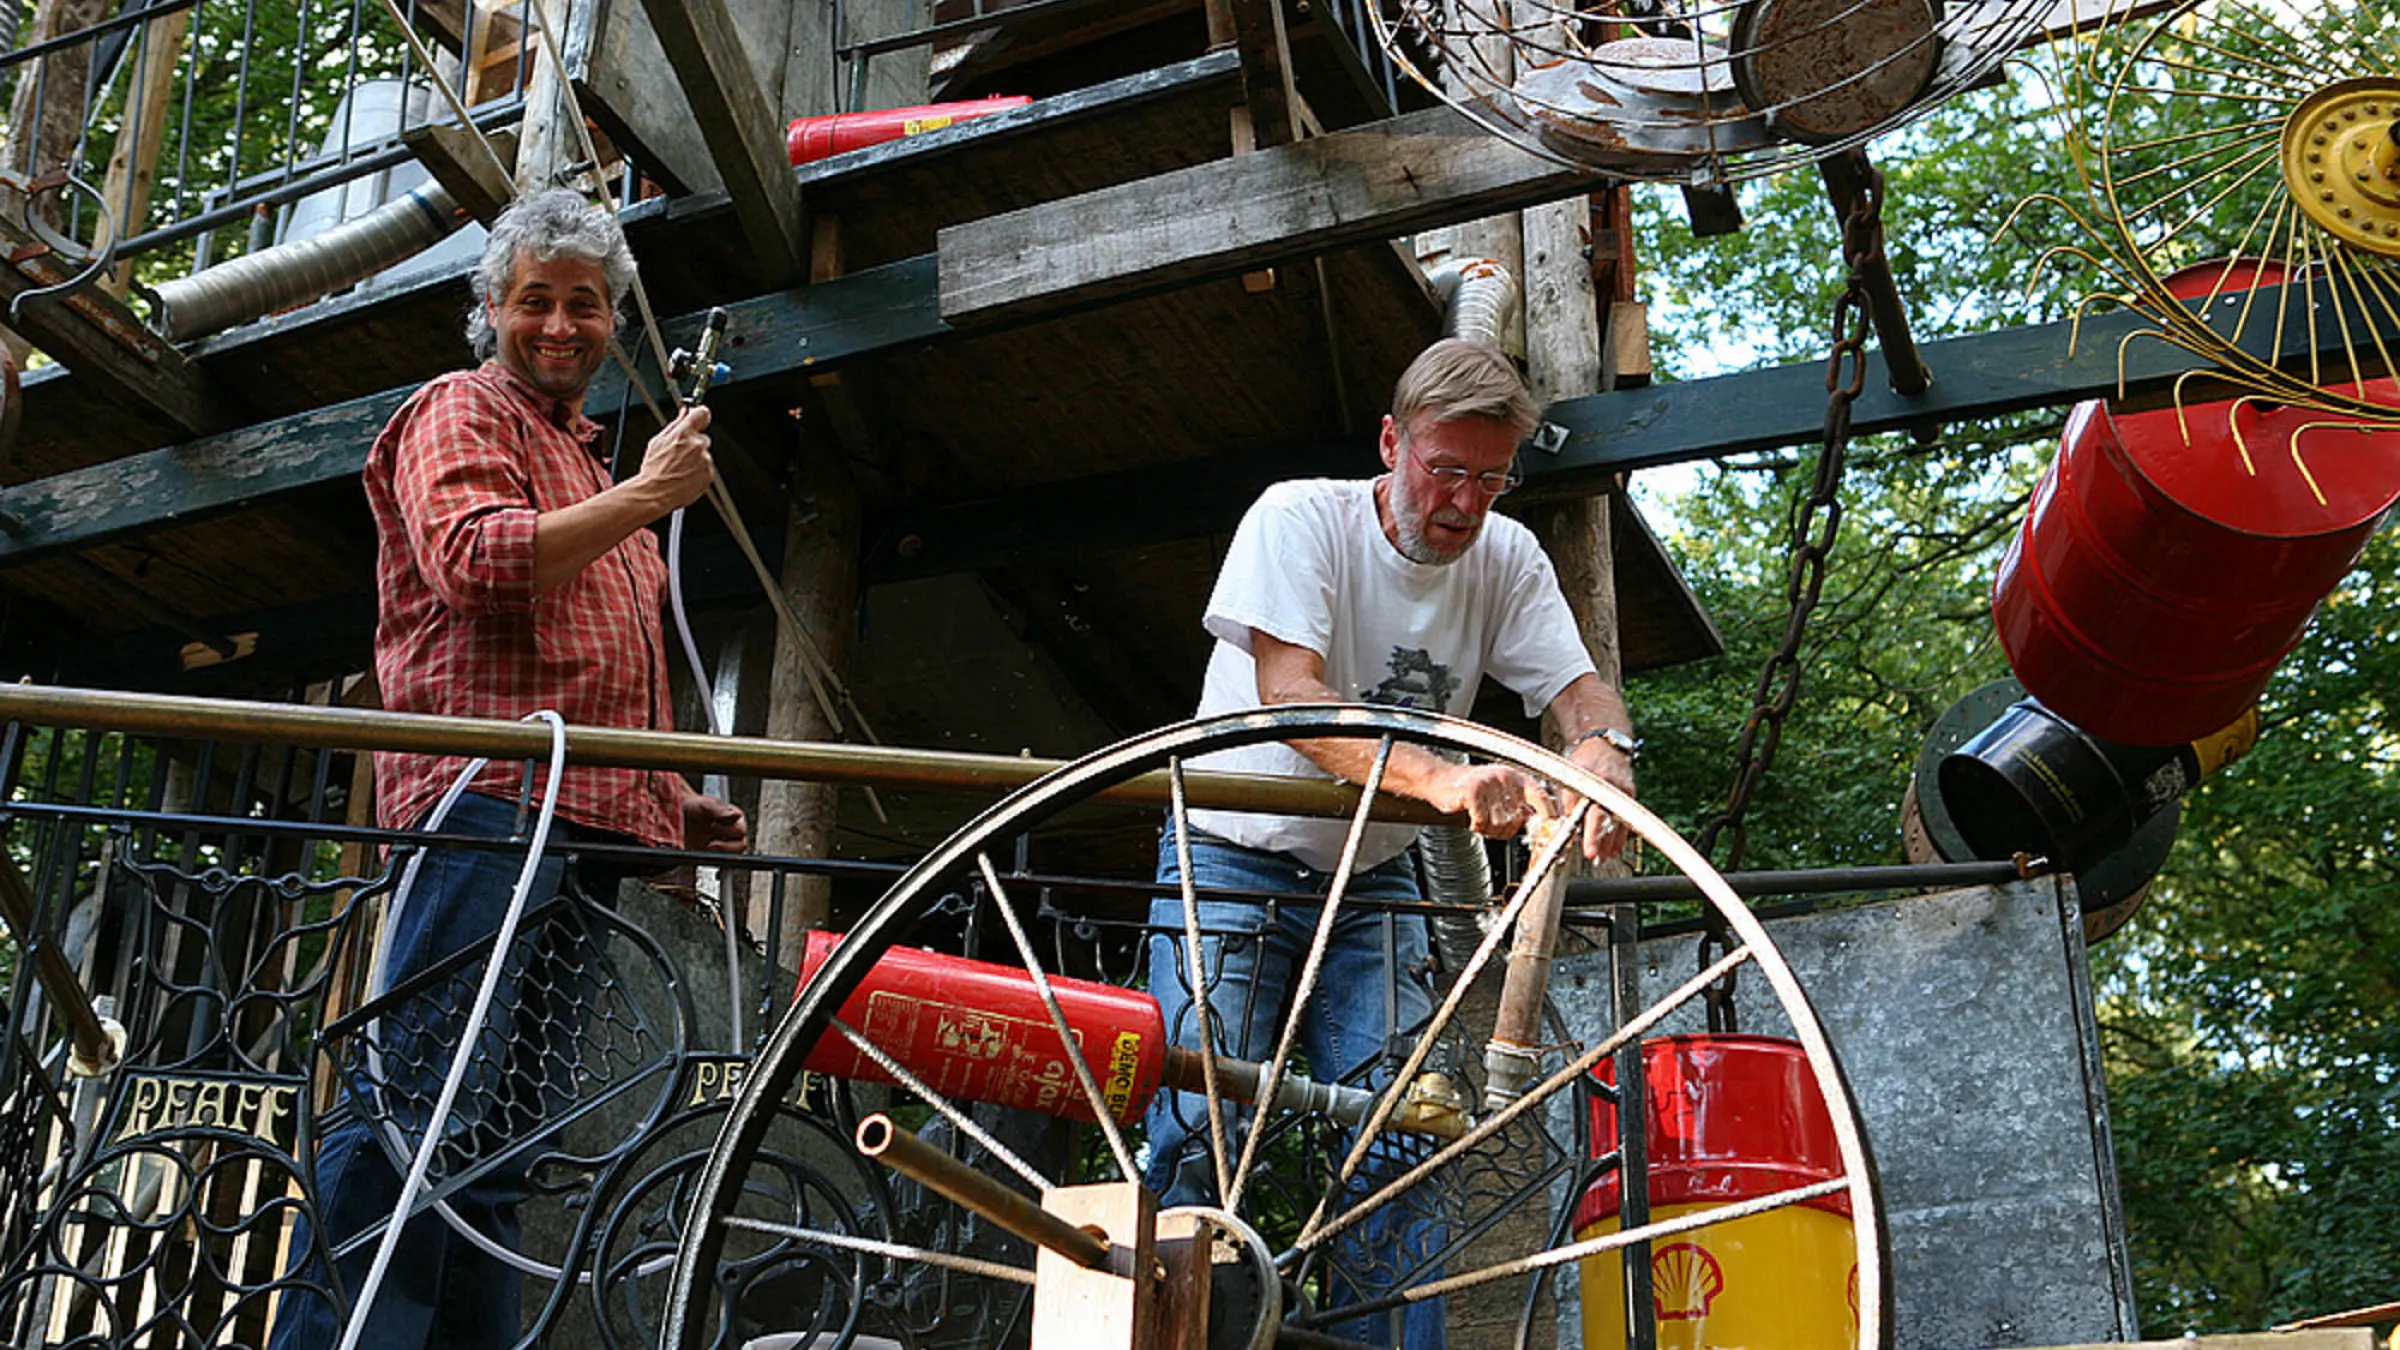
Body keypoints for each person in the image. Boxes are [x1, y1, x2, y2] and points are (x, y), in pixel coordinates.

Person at [271, 189, 748, 1350]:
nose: (560, 325)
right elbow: (476, 565)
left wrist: (666, 799)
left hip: (579, 822)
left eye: (585, 304)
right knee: (417, 1105)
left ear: (613, 320)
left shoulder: (591, 470)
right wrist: (648, 496)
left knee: (503, 1144)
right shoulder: (461, 408)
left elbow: (583, 670)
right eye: (535, 300)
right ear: (490, 309)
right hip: (486, 805)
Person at [1142, 338, 1638, 1347]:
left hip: (1369, 880)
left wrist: (1604, 751)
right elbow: (1289, 700)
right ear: (1390, 443)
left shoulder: (1507, 559)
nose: (1463, 502)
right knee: (1198, 1124)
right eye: (1444, 470)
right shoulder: (1299, 520)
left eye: (1491, 478)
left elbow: (1580, 689)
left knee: (1405, 1139)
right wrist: (1443, 780)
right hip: (1230, 855)